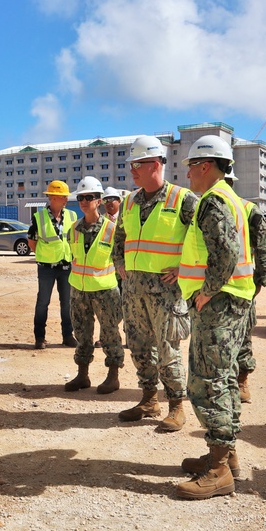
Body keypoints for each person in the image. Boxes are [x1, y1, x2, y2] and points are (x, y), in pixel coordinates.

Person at [175, 136, 255, 500]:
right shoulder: (230, 199)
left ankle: (220, 469)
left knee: (207, 382)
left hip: (219, 302)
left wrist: (206, 291)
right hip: (231, 299)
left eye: (191, 165)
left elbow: (225, 251)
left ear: (205, 165)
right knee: (222, 379)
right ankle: (225, 455)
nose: (188, 173)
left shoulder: (214, 201)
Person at [112, 135, 198, 432]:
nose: (132, 169)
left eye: (138, 163)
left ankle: (177, 405)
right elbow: (119, 238)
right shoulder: (129, 202)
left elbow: (203, 241)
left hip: (166, 292)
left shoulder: (183, 200)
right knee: (137, 347)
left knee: (168, 350)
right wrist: (119, 263)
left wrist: (185, 267)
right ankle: (149, 399)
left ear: (156, 164)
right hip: (133, 290)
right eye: (131, 164)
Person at [63, 176, 123, 394]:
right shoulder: (74, 229)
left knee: (109, 334)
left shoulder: (112, 229)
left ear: (99, 200)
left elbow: (120, 260)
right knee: (82, 334)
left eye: (89, 197)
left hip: (105, 291)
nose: (84, 201)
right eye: (81, 197)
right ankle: (82, 375)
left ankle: (113, 376)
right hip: (79, 291)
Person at [224, 167, 266, 404]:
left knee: (242, 334)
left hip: (241, 284)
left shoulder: (247, 209)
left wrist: (262, 279)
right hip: (208, 286)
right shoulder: (201, 206)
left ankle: (242, 379)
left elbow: (263, 246)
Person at [29, 180, 77, 349]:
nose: (66, 200)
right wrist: (45, 255)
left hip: (66, 266)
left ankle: (67, 336)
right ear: (53, 198)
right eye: (63, 197)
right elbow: (32, 242)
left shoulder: (72, 216)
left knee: (67, 303)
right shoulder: (39, 217)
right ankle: (40, 337)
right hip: (46, 268)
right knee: (43, 302)